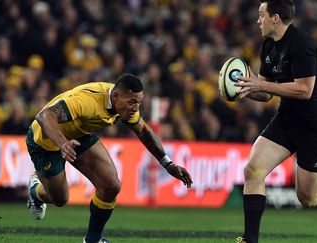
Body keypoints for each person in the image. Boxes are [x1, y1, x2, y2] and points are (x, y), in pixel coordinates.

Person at [234, 1, 317, 242]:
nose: (258, 20)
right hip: (286, 120)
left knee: (308, 198)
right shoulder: (269, 45)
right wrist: (245, 89)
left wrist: (261, 84)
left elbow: (305, 90)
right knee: (252, 170)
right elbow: (266, 91)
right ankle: (250, 240)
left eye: (261, 15)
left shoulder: (303, 43)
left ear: (276, 18)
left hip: (314, 128)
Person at [25, 74, 193, 243]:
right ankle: (35, 192)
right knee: (60, 199)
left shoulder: (124, 104)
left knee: (111, 185)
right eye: (133, 102)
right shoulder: (87, 101)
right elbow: (44, 117)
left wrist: (167, 163)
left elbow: (143, 131)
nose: (136, 108)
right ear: (116, 96)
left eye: (139, 102)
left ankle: (93, 240)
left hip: (79, 134)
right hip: (45, 140)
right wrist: (63, 144)